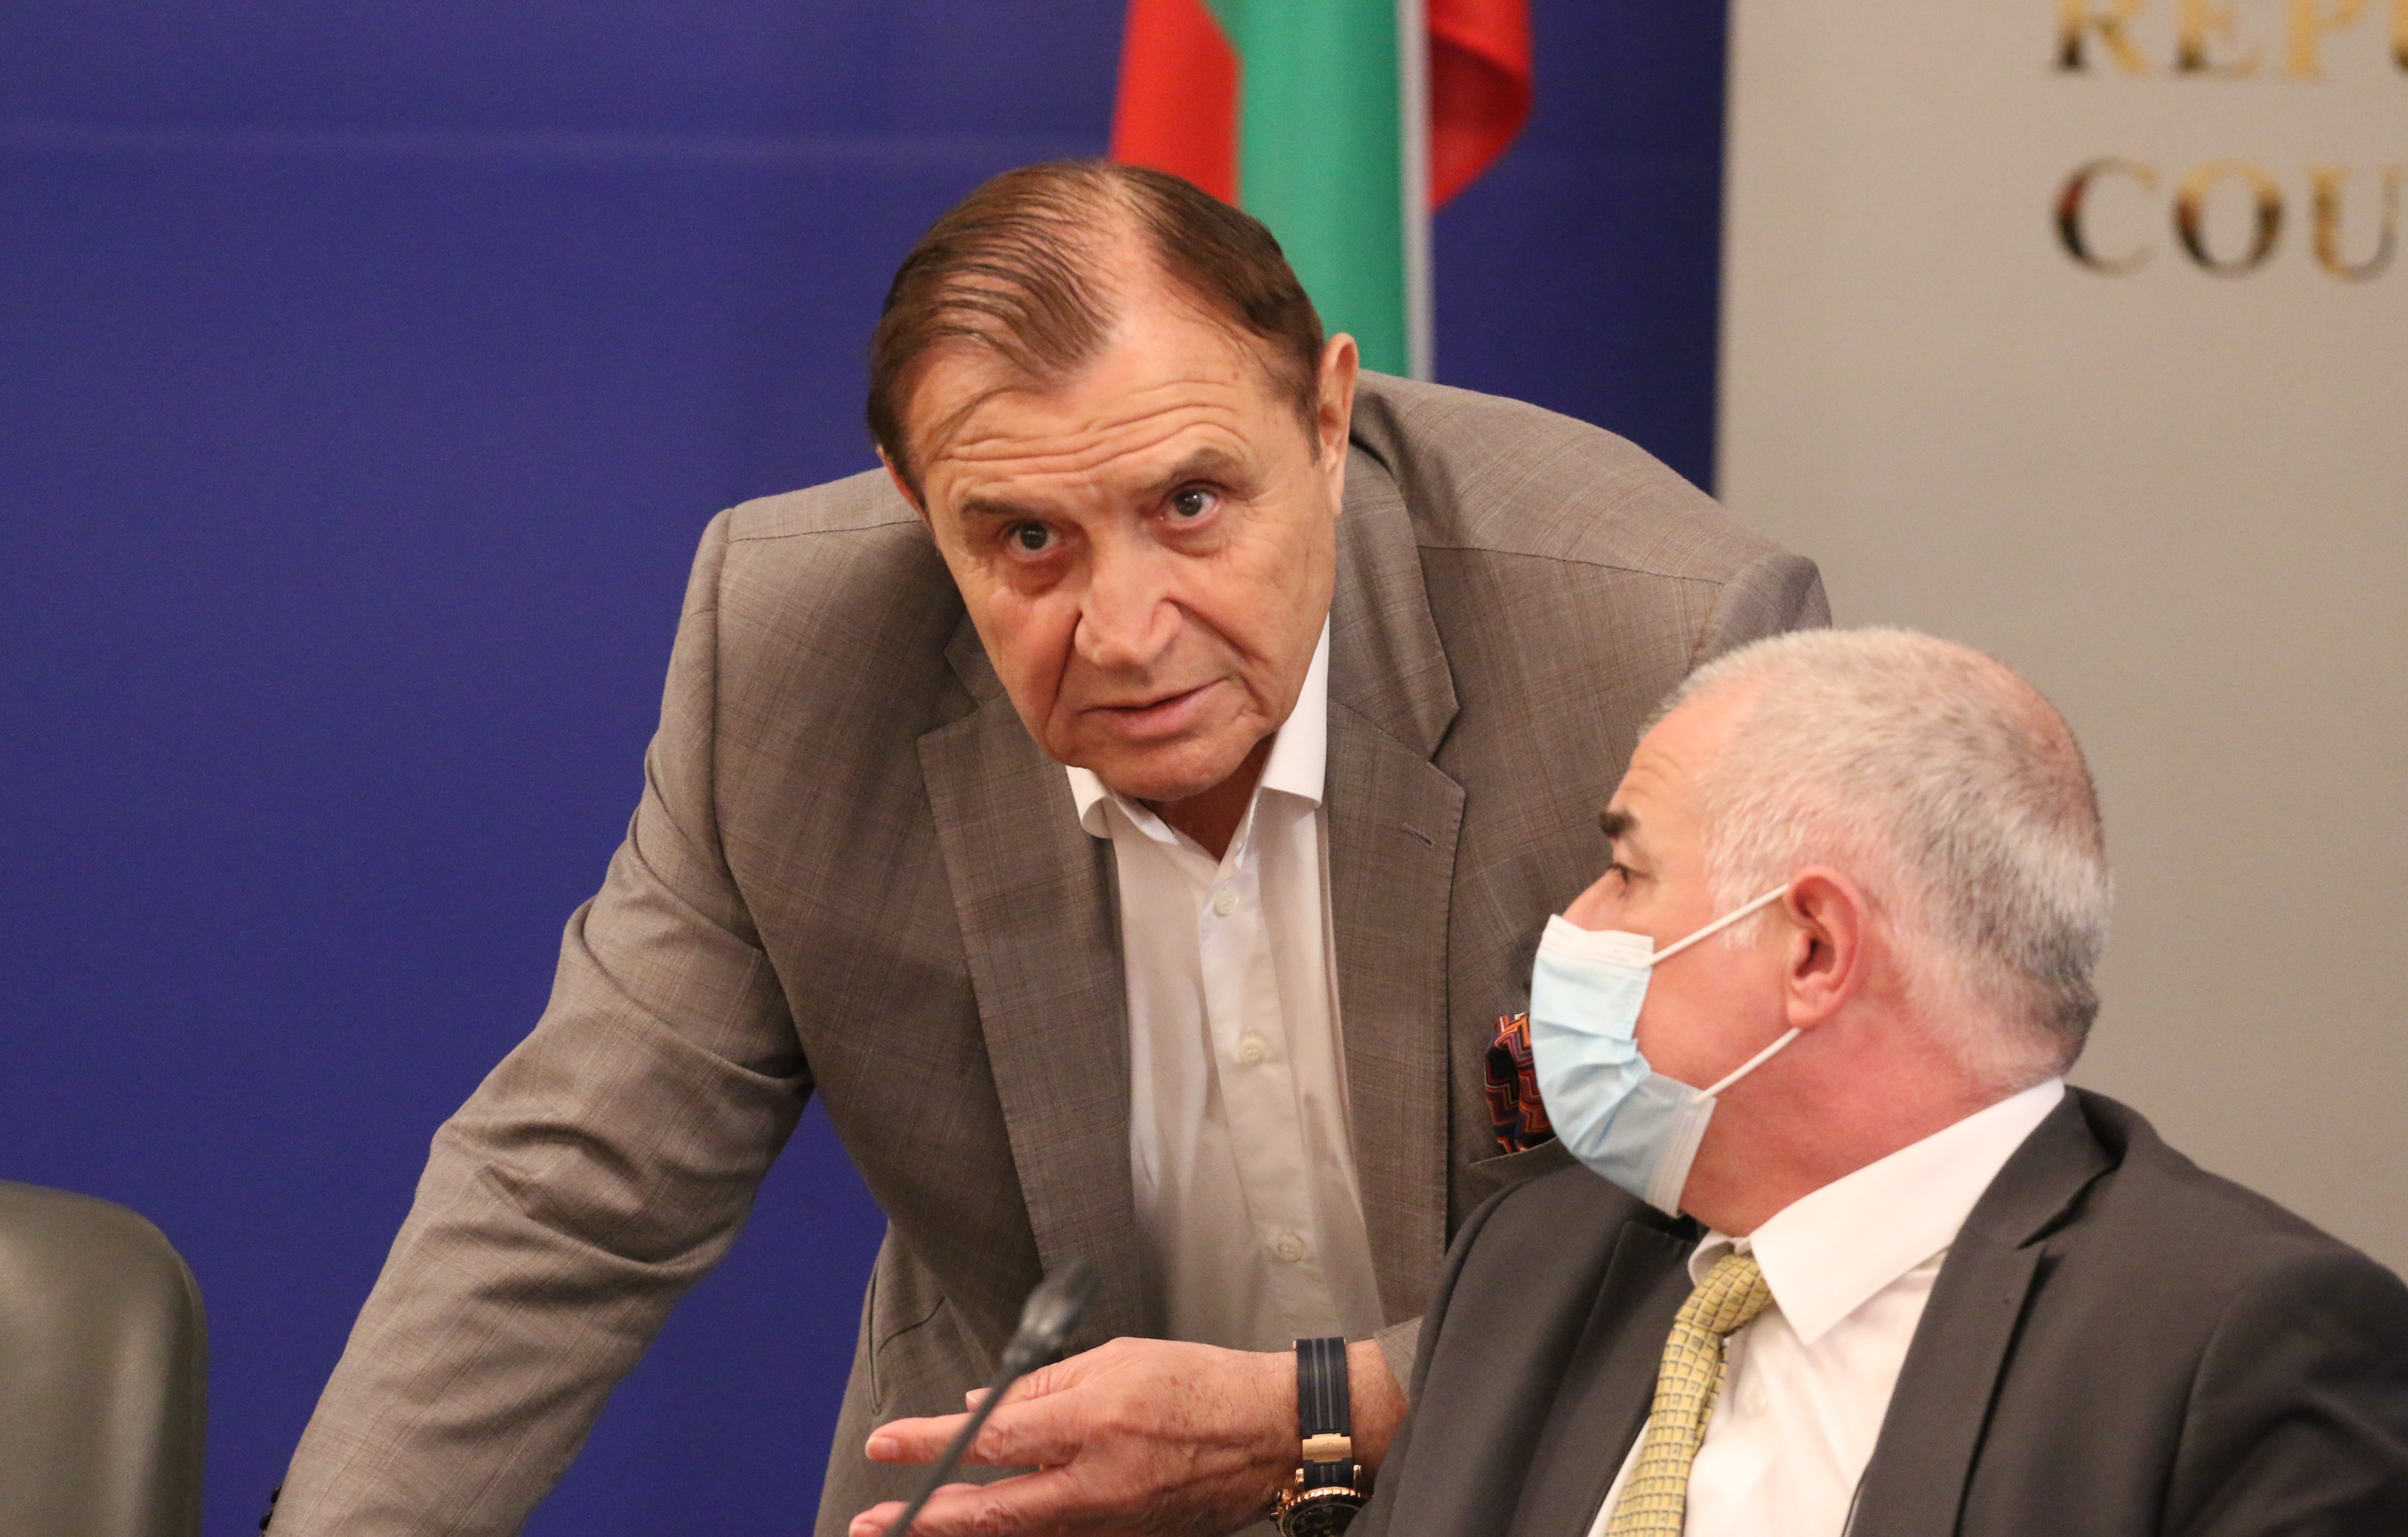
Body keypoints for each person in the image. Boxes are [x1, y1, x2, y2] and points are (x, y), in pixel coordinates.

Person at [267, 161, 1828, 1537]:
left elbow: (1815, 1221)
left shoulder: (1657, 644)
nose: (1126, 633)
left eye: (1192, 503)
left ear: (1327, 418)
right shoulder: (791, 656)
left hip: (1544, 1485)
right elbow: (568, 1193)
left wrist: (1320, 1409)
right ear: (915, 503)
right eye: (1026, 538)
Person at [1359, 627, 2408, 1537]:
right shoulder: (1531, 1265)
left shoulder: (2224, 1347)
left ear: (1814, 950)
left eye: (1629, 874)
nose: (1575, 921)